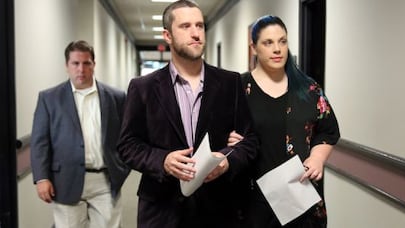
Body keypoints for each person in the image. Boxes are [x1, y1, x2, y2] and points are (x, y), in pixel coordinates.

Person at [116, 1, 258, 228]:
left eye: (200, 26)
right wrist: (163, 160)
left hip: (218, 209)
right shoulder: (143, 87)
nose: (195, 33)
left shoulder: (230, 82)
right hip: (162, 210)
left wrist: (226, 161)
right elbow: (127, 145)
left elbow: (250, 141)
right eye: (185, 26)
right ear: (168, 35)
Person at [228, 15, 340, 228]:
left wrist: (317, 158)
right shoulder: (239, 89)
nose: (277, 49)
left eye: (282, 41)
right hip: (253, 200)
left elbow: (327, 131)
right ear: (254, 47)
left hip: (300, 197)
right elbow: (218, 132)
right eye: (268, 43)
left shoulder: (308, 89)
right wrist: (228, 140)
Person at [30, 40, 130, 228]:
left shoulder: (115, 97)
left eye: (86, 63)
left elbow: (126, 137)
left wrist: (122, 168)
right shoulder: (50, 98)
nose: (81, 69)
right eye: (75, 63)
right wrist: (42, 178)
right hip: (65, 180)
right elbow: (40, 142)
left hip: (105, 180)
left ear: (94, 65)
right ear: (66, 66)